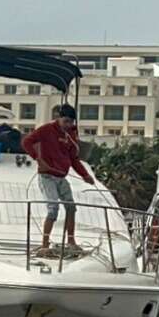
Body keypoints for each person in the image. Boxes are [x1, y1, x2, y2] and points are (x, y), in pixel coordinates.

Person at [21, 103, 94, 257]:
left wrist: (85, 175)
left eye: (71, 122)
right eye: (65, 121)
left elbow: (74, 159)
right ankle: (45, 244)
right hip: (47, 176)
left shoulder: (72, 135)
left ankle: (71, 241)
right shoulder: (47, 129)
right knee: (53, 208)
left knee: (71, 207)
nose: (68, 125)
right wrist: (38, 158)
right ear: (59, 119)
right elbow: (26, 142)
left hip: (62, 177)